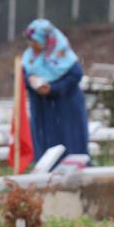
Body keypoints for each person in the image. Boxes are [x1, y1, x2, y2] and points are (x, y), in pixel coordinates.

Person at [21, 19, 89, 162]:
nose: (31, 45)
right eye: (29, 41)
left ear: (47, 40)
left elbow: (75, 75)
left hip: (65, 108)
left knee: (69, 144)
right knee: (44, 146)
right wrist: (30, 80)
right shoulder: (29, 57)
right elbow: (23, 75)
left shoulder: (63, 55)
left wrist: (53, 89)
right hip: (42, 109)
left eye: (34, 41)